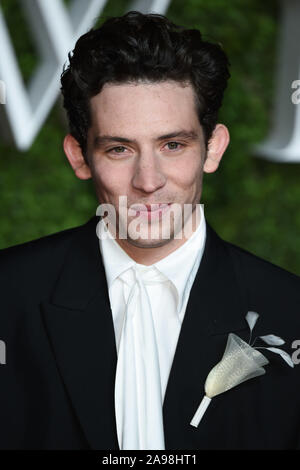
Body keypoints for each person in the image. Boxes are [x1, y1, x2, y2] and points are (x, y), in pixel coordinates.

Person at [0, 11, 300, 451]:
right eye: (119, 149)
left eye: (172, 145)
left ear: (213, 148)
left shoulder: (291, 310)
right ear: (79, 158)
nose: (148, 180)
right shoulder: (7, 294)